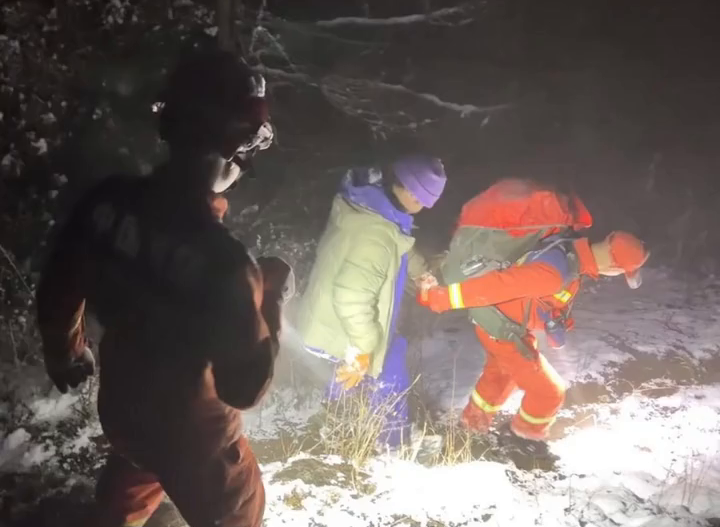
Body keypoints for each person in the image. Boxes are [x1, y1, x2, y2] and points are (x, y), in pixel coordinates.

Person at [35, 46, 293, 527]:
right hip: (198, 439)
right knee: (238, 516)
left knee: (132, 478)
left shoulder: (109, 203)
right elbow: (244, 387)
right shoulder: (225, 264)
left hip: (125, 413)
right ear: (235, 145)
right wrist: (270, 298)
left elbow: (59, 286)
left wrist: (65, 352)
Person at [418, 178, 649, 441]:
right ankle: (524, 440)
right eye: (621, 272)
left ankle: (470, 429)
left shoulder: (570, 253)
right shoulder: (555, 271)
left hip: (503, 326)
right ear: (615, 268)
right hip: (502, 330)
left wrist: (554, 320)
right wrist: (444, 298)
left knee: (500, 375)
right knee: (549, 393)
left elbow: (536, 298)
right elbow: (500, 285)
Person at [295, 156, 447, 448]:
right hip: (345, 323)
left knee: (351, 371)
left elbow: (399, 245)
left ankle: (335, 422)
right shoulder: (377, 235)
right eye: (425, 201)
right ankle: (393, 443)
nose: (424, 209)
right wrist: (363, 347)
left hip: (327, 318)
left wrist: (421, 272)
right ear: (413, 195)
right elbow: (351, 297)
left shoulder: (371, 206)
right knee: (388, 362)